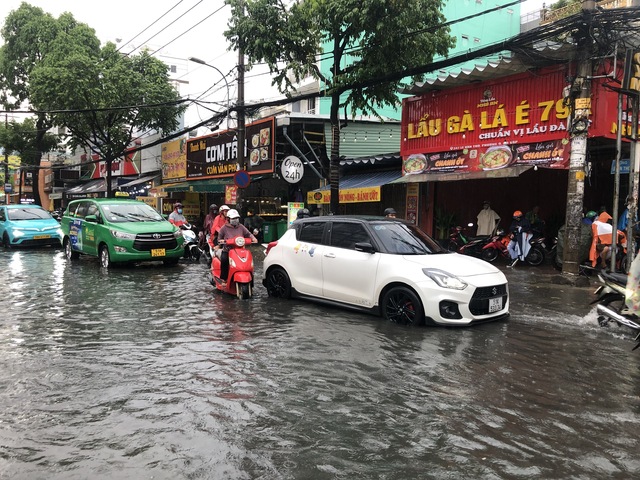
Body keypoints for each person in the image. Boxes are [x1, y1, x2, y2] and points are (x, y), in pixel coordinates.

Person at [216, 209, 257, 285]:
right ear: (228, 219)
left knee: (248, 262)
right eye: (233, 218)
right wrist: (221, 241)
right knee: (224, 260)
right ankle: (224, 279)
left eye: (236, 218)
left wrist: (253, 238)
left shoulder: (241, 227)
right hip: (227, 250)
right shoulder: (224, 228)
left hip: (240, 250)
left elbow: (248, 234)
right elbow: (219, 238)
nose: (235, 220)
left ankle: (250, 278)